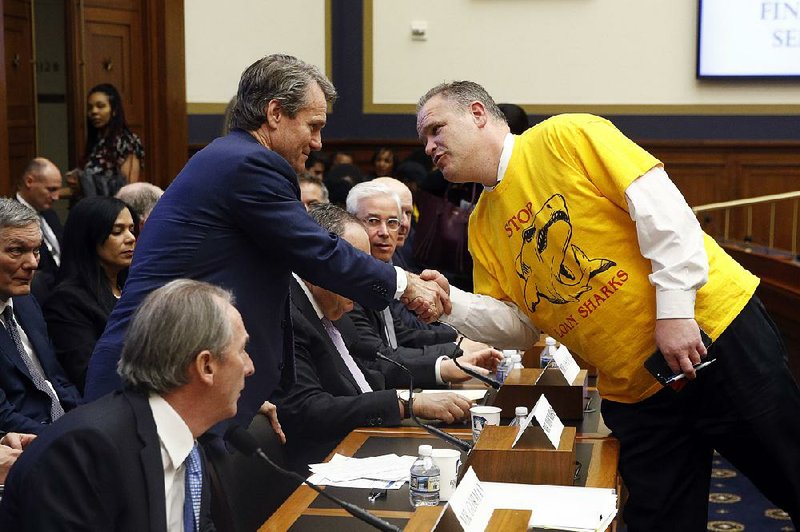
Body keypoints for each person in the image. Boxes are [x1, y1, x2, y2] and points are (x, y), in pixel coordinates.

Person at [415, 80, 800, 530]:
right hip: (634, 389)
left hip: (711, 335)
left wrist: (674, 312)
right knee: (659, 520)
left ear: (477, 113)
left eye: (435, 130)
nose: (428, 148)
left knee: (789, 472)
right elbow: (520, 324)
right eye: (424, 139)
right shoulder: (481, 225)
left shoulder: (565, 136)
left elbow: (664, 213)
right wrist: (450, 305)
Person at [83, 54, 447, 437]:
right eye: (313, 126)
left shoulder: (235, 158)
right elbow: (319, 252)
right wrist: (404, 285)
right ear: (275, 113)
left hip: (188, 380)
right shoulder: (248, 164)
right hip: (152, 381)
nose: (318, 142)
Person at [0, 279, 251, 530]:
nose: (249, 367)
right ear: (205, 366)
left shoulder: (188, 445)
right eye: (242, 351)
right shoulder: (86, 450)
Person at [273, 204, 473, 469]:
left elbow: (374, 367)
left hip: (370, 445)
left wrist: (423, 392)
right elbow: (308, 410)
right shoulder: (288, 312)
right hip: (324, 466)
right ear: (320, 260)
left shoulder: (332, 306)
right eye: (355, 266)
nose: (363, 279)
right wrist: (405, 403)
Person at [343, 182, 501, 387]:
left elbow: (398, 332)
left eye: (392, 222)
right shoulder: (348, 280)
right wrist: (446, 362)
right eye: (373, 221)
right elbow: (376, 358)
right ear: (351, 223)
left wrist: (457, 346)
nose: (384, 232)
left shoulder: (386, 267)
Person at [0, 199, 81, 434]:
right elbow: (4, 416)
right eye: (16, 251)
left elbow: (58, 380)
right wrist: (66, 439)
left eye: (36, 250)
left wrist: (89, 420)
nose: (33, 263)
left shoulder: (26, 302)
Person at [43, 197, 137, 394]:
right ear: (89, 237)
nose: (130, 238)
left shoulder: (132, 287)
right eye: (117, 231)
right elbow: (87, 376)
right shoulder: (68, 300)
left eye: (132, 229)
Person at [69, 83, 145, 199]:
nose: (94, 112)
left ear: (114, 110)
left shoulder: (127, 141)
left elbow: (128, 188)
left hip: (113, 210)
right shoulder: (96, 143)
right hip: (90, 208)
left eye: (100, 106)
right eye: (90, 108)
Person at [15, 158, 64, 303]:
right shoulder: (10, 219)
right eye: (51, 190)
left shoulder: (50, 215)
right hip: (37, 297)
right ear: (29, 182)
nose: (56, 197)